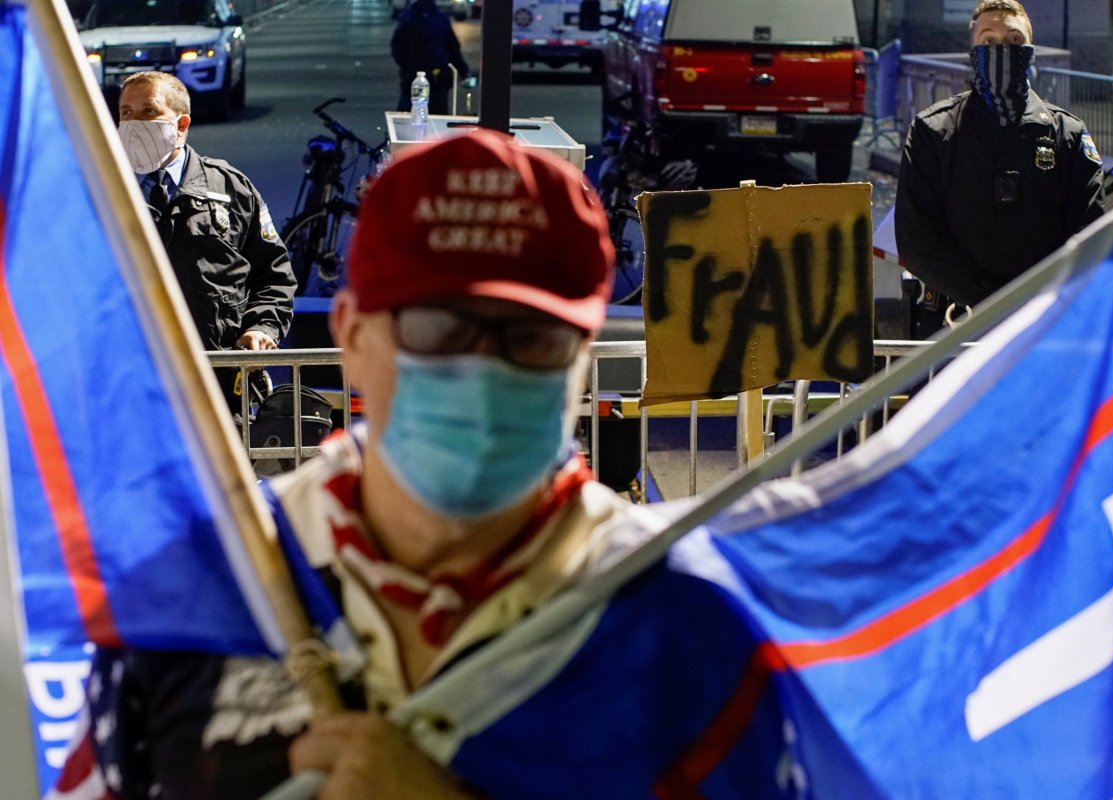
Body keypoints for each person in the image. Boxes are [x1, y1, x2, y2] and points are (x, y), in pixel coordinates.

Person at [57, 132, 797, 799]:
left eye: (534, 340)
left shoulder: (683, 625)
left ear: (583, 361)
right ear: (348, 335)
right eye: (437, 328)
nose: (482, 370)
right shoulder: (200, 586)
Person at [894, 0, 1106, 333]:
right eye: (989, 41)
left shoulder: (1068, 135)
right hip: (952, 323)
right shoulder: (932, 131)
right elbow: (917, 239)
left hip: (1041, 325)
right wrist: (986, 301)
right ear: (972, 49)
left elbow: (1089, 234)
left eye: (1014, 41)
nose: (1001, 49)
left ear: (1030, 51)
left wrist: (1032, 302)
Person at [117, 71, 296, 410]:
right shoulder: (97, 190)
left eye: (148, 112)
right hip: (127, 386)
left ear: (181, 124)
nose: (133, 123)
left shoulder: (231, 189)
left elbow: (273, 275)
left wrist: (263, 328)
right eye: (126, 112)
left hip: (217, 385)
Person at [391, 0, 471, 114]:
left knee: (411, 112)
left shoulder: (407, 19)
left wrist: (407, 67)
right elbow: (453, 48)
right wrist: (463, 71)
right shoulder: (440, 18)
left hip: (413, 78)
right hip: (437, 79)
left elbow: (397, 48)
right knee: (437, 115)